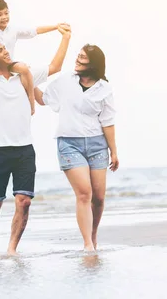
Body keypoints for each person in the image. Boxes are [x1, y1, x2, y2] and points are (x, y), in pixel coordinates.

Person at [0, 20, 72, 256]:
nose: (6, 51)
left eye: (4, 47)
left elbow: (55, 66)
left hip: (24, 149)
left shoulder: (24, 74)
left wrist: (65, 38)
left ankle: (12, 249)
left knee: (24, 201)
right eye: (0, 50)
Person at [34, 44, 119, 251]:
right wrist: (25, 80)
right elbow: (43, 99)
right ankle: (87, 244)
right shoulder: (64, 81)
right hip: (69, 144)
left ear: (93, 64)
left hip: (98, 145)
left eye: (83, 58)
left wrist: (113, 151)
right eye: (78, 56)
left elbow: (107, 122)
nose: (78, 61)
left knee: (98, 198)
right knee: (84, 193)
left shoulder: (104, 89)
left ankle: (93, 234)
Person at [0, 0, 66, 121]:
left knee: (24, 68)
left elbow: (33, 31)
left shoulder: (13, 29)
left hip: (8, 64)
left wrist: (56, 27)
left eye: (6, 13)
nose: (4, 17)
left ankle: (31, 104)